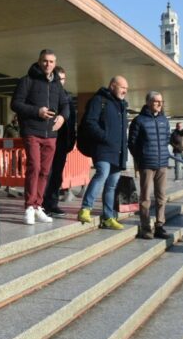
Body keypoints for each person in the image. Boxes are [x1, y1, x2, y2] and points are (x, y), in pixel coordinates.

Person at [10, 49, 70, 225]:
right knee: (34, 167)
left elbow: (65, 104)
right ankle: (29, 206)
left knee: (45, 171)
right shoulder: (27, 81)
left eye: (51, 61)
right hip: (32, 131)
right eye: (45, 61)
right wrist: (37, 111)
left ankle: (38, 206)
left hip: (51, 133)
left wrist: (62, 117)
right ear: (38, 61)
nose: (48, 64)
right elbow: (15, 104)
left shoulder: (57, 85)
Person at [77, 76, 129, 229]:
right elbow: (89, 122)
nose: (125, 91)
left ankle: (108, 217)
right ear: (112, 86)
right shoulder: (99, 100)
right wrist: (104, 137)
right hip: (102, 148)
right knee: (102, 173)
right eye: (122, 87)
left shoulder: (122, 105)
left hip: (118, 152)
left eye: (126, 88)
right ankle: (85, 208)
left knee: (112, 184)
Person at [128, 91, 170, 239]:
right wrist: (141, 158)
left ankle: (160, 225)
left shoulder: (164, 120)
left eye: (161, 101)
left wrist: (163, 155)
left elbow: (167, 139)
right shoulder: (139, 120)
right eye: (156, 101)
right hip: (146, 164)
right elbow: (132, 143)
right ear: (148, 102)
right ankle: (146, 227)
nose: (160, 104)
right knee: (145, 197)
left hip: (162, 164)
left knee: (161, 197)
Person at [43, 66, 77, 217]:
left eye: (63, 79)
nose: (61, 82)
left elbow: (72, 120)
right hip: (50, 139)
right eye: (59, 79)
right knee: (47, 174)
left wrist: (71, 139)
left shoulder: (67, 97)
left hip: (63, 141)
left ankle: (53, 203)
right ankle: (43, 204)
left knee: (57, 174)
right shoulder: (49, 94)